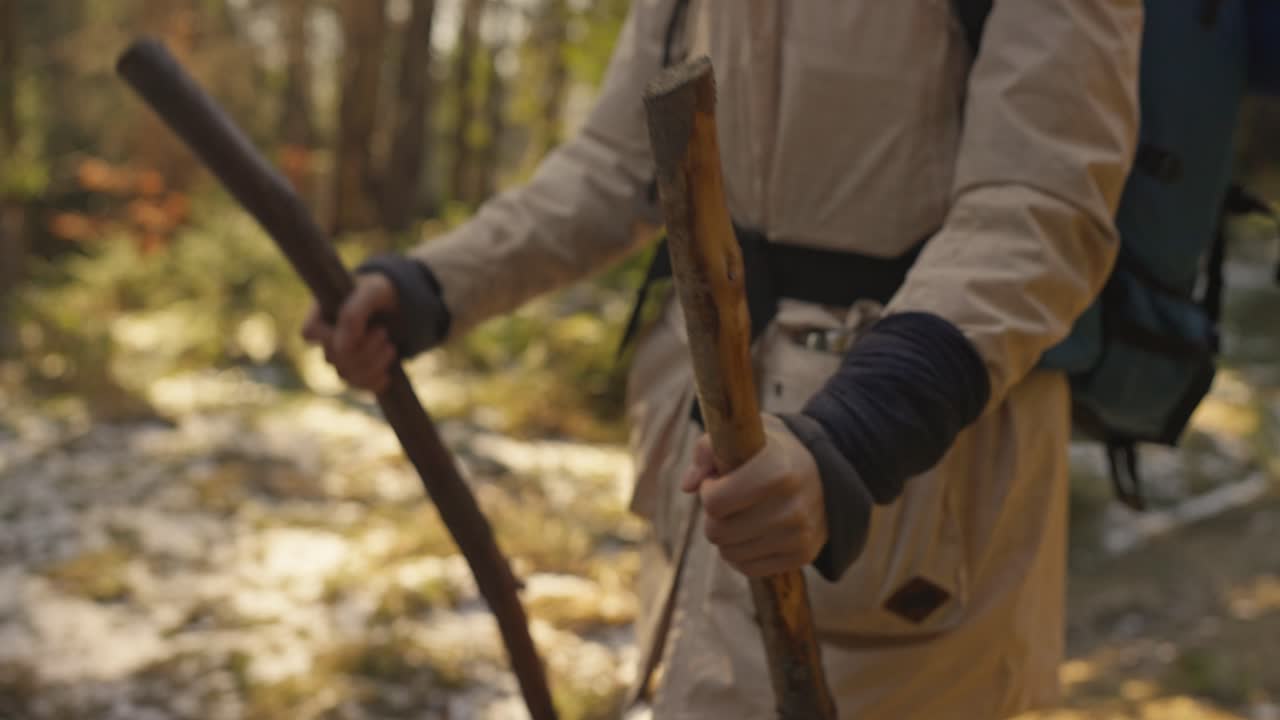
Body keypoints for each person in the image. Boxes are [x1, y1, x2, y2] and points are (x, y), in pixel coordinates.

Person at [301, 2, 1143, 717]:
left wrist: (849, 440)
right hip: (713, 455)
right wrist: (432, 285)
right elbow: (617, 164)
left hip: (914, 493)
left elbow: (1040, 210)